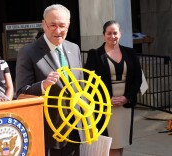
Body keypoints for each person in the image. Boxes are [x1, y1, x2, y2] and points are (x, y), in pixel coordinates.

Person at [16, 4, 84, 156]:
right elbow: (20, 93)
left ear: (69, 25)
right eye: (53, 25)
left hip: (75, 130)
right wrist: (43, 85)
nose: (58, 31)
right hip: (49, 132)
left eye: (62, 25)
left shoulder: (74, 49)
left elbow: (80, 88)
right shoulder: (28, 52)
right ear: (44, 25)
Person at [84, 20, 142, 156]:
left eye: (115, 33)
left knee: (121, 141)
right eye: (109, 33)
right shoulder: (95, 54)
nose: (112, 36)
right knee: (110, 144)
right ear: (104, 35)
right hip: (105, 105)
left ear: (120, 34)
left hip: (125, 105)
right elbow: (89, 82)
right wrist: (104, 100)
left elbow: (138, 78)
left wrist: (127, 97)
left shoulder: (130, 52)